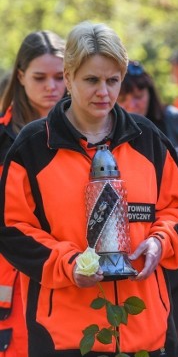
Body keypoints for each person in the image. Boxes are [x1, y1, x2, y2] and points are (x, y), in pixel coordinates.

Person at [0, 22, 178, 356]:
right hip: (64, 337)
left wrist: (158, 241)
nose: (103, 92)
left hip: (148, 330)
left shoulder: (148, 138)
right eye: (91, 80)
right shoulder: (32, 147)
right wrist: (69, 263)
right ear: (70, 76)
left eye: (112, 81)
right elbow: (12, 229)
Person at [117, 60, 178, 357]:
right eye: (126, 97)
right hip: (135, 236)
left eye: (140, 93)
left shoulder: (176, 120)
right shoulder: (109, 127)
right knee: (143, 318)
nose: (135, 102)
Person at [0, 30, 66, 357]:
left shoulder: (93, 137)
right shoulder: (2, 138)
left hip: (71, 279)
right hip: (9, 285)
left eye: (60, 77)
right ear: (21, 76)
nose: (51, 87)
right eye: (40, 77)